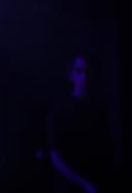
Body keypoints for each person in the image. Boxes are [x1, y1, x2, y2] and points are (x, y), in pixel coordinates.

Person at [46, 55, 112, 193]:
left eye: (87, 71)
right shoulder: (60, 109)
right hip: (70, 187)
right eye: (80, 71)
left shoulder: (98, 108)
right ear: (71, 76)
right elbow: (55, 156)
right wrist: (83, 184)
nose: (85, 75)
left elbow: (104, 149)